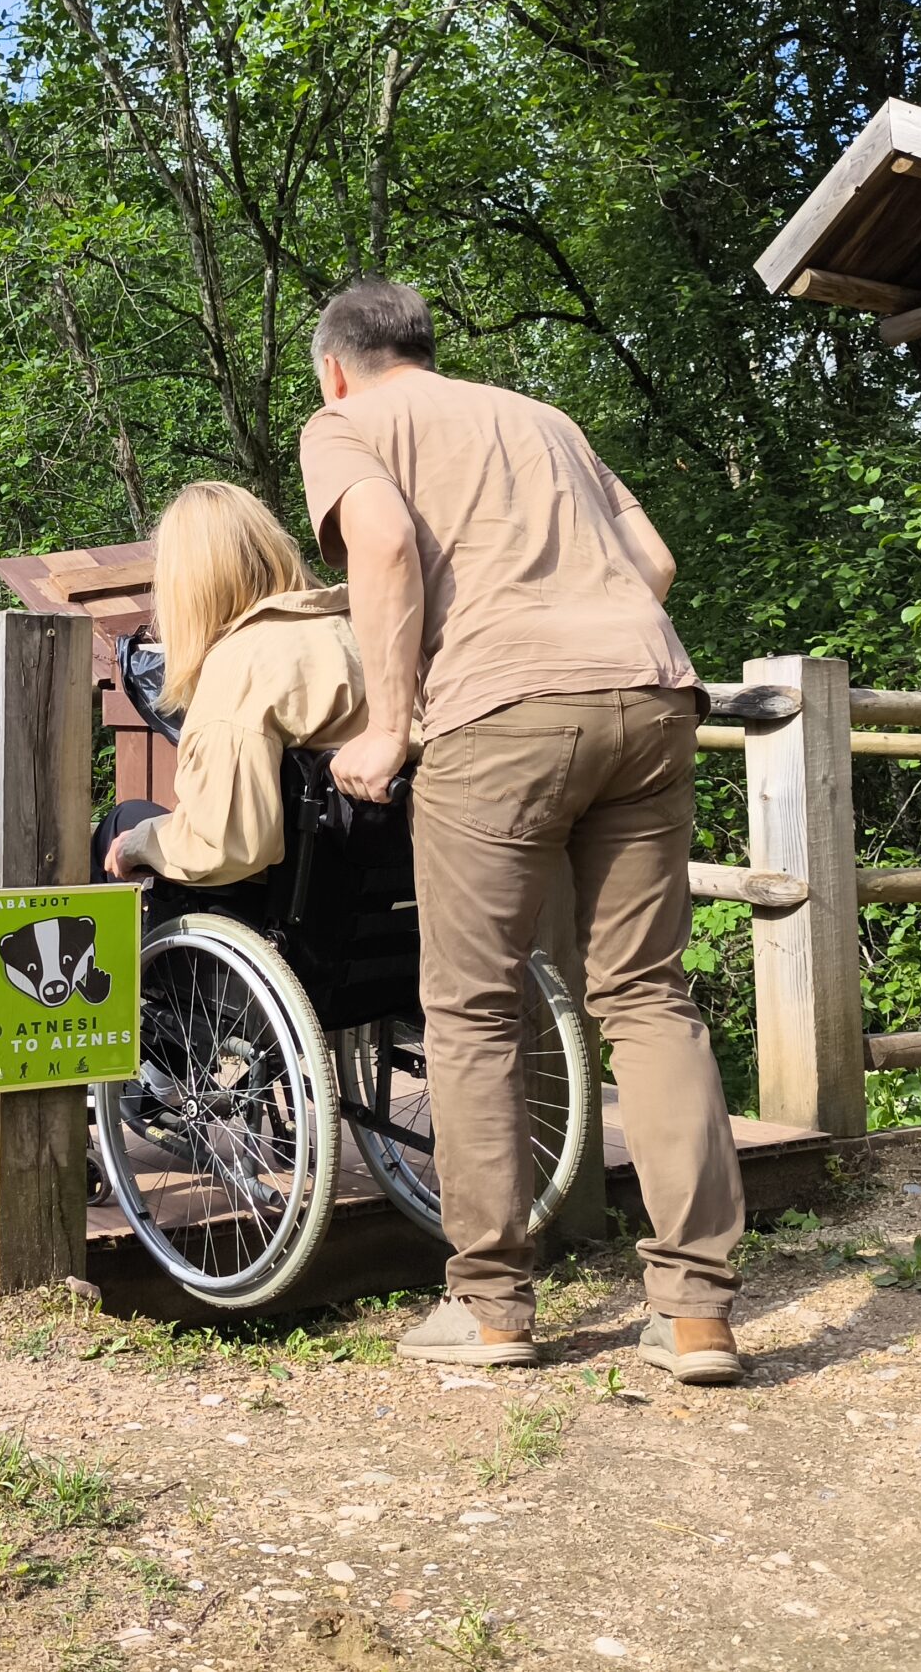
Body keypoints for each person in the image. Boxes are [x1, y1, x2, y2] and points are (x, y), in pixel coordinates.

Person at [300, 277, 748, 1385]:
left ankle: (494, 1304)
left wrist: (390, 721)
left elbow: (385, 542)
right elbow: (653, 566)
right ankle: (695, 1313)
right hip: (648, 690)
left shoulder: (346, 422)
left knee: (471, 1004)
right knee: (646, 993)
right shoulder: (545, 420)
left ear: (335, 364)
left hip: (500, 711)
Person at [99, 482, 367, 887]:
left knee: (122, 823)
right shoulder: (358, 626)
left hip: (287, 901)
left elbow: (230, 847)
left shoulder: (243, 664)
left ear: (186, 586)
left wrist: (135, 844)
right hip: (377, 885)